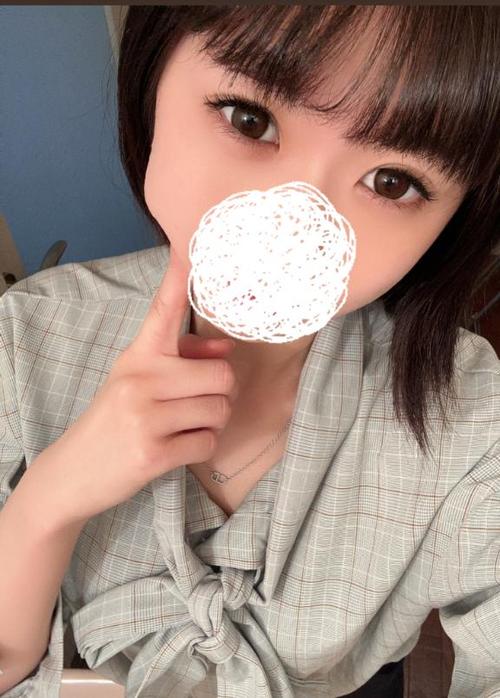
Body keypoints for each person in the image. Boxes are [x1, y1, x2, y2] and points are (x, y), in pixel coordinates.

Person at [0, 6, 499, 697]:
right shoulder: (26, 337)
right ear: (151, 76)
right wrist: (49, 500)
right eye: (249, 120)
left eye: (392, 182)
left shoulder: (470, 413)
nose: (293, 223)